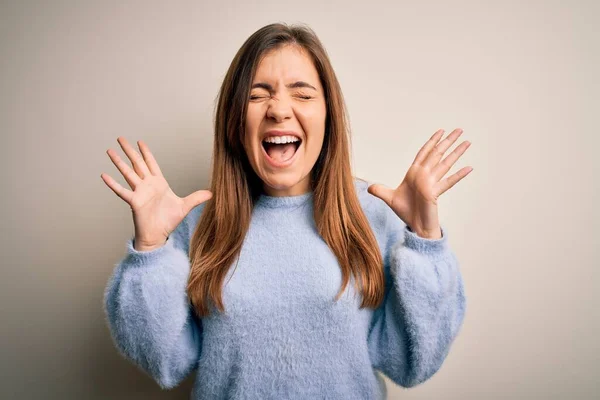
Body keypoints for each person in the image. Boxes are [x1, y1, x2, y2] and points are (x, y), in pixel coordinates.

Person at [100, 22, 471, 400]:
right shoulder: (196, 222)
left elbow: (412, 363)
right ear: (234, 121)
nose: (279, 110)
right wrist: (150, 250)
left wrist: (426, 241)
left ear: (328, 116)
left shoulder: (372, 217)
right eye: (257, 95)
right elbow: (165, 362)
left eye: (302, 94)